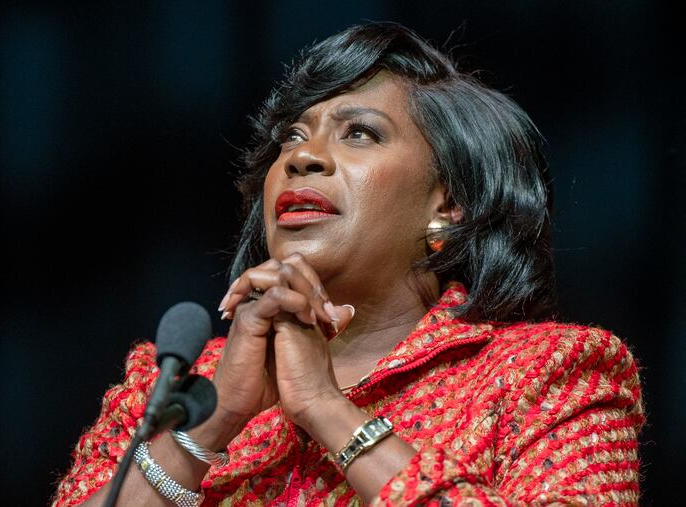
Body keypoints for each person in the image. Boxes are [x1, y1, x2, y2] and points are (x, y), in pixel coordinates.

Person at [52, 22, 643, 506]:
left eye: (359, 133)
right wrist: (208, 424)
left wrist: (327, 410)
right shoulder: (168, 387)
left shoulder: (546, 374)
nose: (302, 157)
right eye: (291, 137)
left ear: (448, 205)